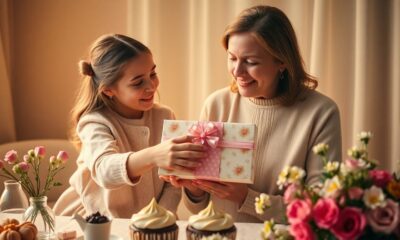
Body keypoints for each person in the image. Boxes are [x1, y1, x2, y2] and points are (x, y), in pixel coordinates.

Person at [164, 5, 342, 223]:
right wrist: (195, 189)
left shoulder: (321, 112)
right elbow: (198, 209)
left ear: (282, 62)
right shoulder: (217, 104)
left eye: (251, 62)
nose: (237, 71)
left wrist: (247, 198)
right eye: (232, 58)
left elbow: (321, 207)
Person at [53, 34, 206, 218]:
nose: (151, 86)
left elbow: (171, 183)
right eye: (138, 82)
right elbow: (104, 171)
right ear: (108, 89)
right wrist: (155, 155)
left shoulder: (164, 115)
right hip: (90, 219)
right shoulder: (94, 122)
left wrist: (162, 216)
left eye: (153, 74)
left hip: (145, 225)